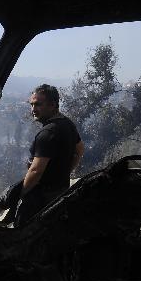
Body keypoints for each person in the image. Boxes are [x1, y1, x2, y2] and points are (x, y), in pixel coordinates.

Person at [14, 84, 84, 225]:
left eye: (38, 104)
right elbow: (80, 150)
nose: (33, 109)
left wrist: (21, 194)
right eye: (32, 104)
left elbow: (36, 170)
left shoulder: (47, 133)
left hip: (41, 198)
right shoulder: (67, 124)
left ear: (52, 105)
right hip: (60, 193)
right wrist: (66, 172)